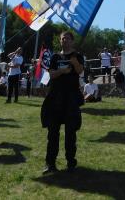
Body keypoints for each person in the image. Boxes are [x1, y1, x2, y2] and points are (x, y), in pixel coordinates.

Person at [41, 31, 84, 174]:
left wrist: (74, 62)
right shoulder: (55, 57)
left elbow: (80, 71)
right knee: (53, 132)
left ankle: (71, 163)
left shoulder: (77, 56)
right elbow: (51, 74)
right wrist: (62, 71)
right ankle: (50, 164)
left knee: (70, 133)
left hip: (71, 99)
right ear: (60, 41)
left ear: (72, 41)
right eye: (62, 38)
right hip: (55, 98)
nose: (65, 40)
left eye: (67, 38)